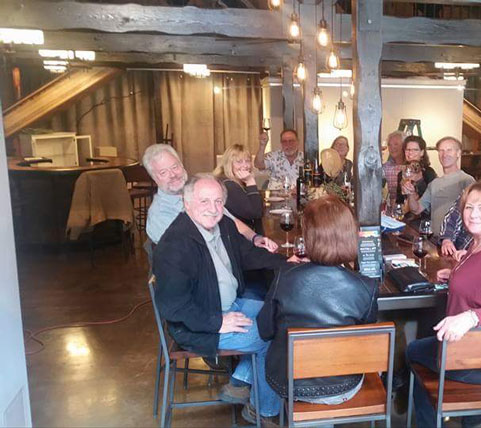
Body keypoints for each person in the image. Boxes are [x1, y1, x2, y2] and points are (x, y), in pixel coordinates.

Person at [152, 174, 295, 423]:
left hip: (229, 305)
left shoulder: (224, 226)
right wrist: (217, 322)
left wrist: (287, 263)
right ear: (187, 204)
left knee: (280, 314)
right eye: (204, 201)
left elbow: (250, 254)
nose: (214, 208)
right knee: (274, 337)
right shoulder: (174, 245)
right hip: (199, 325)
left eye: (218, 201)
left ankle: (241, 381)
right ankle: (262, 412)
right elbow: (174, 307)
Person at [406, 181, 481, 428]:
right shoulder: (478, 241)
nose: (473, 214)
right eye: (469, 207)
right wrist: (456, 276)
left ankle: (440, 416)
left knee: (411, 351)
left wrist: (470, 317)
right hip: (467, 347)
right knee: (421, 356)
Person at [257, 195, 378, 404]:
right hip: (344, 385)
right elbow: (365, 334)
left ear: (309, 236)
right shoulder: (366, 286)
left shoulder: (285, 277)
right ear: (351, 236)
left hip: (289, 383)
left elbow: (265, 330)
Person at [142, 144, 276, 251]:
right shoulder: (160, 215)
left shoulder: (197, 190)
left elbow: (230, 219)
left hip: (230, 257)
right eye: (163, 172)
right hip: (206, 275)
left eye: (174, 167)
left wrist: (254, 237)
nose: (173, 175)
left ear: (182, 166)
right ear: (154, 178)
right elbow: (189, 255)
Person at [405, 137, 475, 238]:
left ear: (458, 153)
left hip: (455, 244)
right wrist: (411, 193)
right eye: (441, 150)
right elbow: (416, 209)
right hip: (435, 242)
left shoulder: (467, 181)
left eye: (449, 150)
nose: (444, 154)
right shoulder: (434, 184)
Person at [214, 144, 264, 235]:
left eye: (247, 161)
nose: (245, 166)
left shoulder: (236, 181)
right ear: (229, 164)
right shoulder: (228, 185)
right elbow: (255, 212)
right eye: (239, 162)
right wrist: (250, 182)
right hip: (238, 238)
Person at [395, 135, 437, 205]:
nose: (410, 153)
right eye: (408, 150)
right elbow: (399, 200)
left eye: (415, 150)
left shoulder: (428, 172)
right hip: (406, 214)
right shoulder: (401, 174)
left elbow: (433, 198)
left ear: (422, 152)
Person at [382, 131, 405, 203]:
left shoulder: (411, 166)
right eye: (389, 145)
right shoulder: (387, 166)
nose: (392, 148)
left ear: (404, 145)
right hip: (393, 209)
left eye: (396, 144)